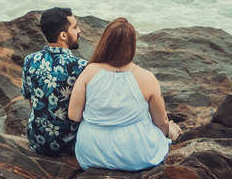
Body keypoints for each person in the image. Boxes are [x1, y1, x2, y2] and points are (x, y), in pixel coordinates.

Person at [68, 17, 181, 170]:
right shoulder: (147, 78)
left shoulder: (89, 71)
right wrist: (169, 133)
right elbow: (160, 123)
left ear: (105, 42)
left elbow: (74, 115)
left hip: (91, 153)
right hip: (135, 154)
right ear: (133, 45)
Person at [21, 7, 88, 156]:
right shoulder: (80, 67)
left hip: (36, 140)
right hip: (68, 145)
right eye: (75, 27)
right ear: (63, 35)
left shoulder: (29, 60)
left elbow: (31, 100)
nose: (79, 31)